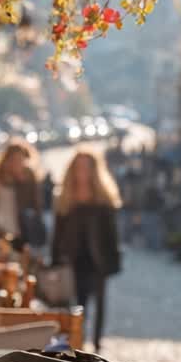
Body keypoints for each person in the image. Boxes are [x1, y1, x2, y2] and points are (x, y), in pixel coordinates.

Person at [51, 149, 122, 350]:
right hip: (71, 259)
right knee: (75, 305)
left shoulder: (103, 198)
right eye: (79, 167)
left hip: (97, 258)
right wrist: (55, 259)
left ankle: (97, 343)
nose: (82, 171)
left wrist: (112, 261)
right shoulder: (65, 197)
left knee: (98, 303)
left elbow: (111, 234)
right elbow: (57, 233)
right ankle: (77, 343)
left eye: (86, 167)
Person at [0, 138, 45, 248]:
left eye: (19, 160)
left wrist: (21, 182)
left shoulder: (29, 176)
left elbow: (37, 206)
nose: (16, 164)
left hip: (22, 231)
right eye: (13, 160)